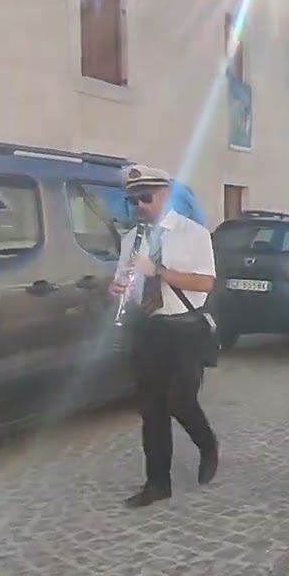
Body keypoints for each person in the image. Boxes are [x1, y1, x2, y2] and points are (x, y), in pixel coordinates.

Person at [110, 166, 220, 508]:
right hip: (150, 328)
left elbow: (205, 283)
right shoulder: (132, 239)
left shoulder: (193, 233)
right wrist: (118, 290)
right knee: (152, 409)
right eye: (133, 200)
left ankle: (207, 443)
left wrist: (158, 270)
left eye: (146, 198)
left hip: (185, 328)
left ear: (165, 196)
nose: (140, 206)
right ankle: (157, 483)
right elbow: (129, 286)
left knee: (180, 400)